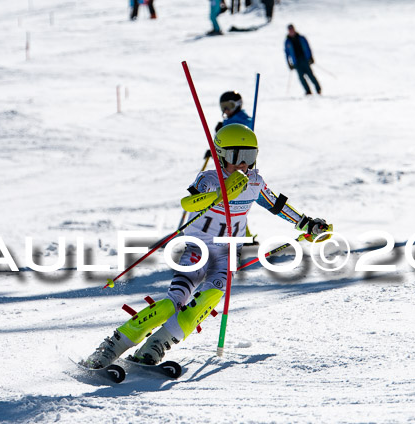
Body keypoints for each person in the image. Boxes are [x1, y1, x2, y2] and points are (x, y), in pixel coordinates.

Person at [83, 124, 331, 368]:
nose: (243, 164)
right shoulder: (210, 179)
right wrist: (220, 194)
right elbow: (189, 203)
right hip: (197, 251)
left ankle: (156, 346)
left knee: (209, 298)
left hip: (227, 254)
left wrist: (308, 224)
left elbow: (276, 205)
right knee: (174, 302)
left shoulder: (255, 182)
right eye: (236, 156)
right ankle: (112, 346)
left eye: (249, 156)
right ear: (221, 156)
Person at [285, 24, 321, 95]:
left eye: (292, 29)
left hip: (304, 59)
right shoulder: (287, 42)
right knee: (301, 78)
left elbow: (308, 47)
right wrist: (289, 63)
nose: (291, 31)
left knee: (310, 75)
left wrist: (311, 57)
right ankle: (308, 91)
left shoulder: (301, 38)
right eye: (290, 30)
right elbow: (287, 54)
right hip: (296, 62)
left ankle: (318, 89)